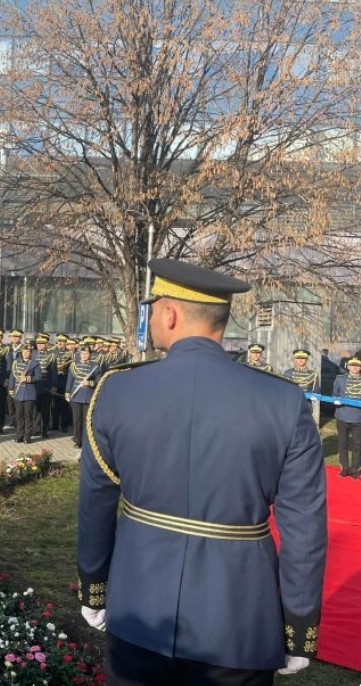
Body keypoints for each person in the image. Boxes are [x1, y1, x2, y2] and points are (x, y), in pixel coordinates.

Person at [78, 258, 326, 683]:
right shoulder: (283, 401)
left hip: (139, 605)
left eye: (154, 306)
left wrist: (93, 586)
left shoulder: (117, 390)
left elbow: (95, 503)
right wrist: (298, 627)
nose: (153, 315)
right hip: (240, 622)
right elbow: (304, 528)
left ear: (170, 313)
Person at [64, 343, 100, 449]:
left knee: (86, 421)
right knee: (77, 420)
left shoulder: (95, 366)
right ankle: (77, 440)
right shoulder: (74, 365)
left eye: (86, 353)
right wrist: (67, 392)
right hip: (76, 395)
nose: (84, 355)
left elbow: (99, 380)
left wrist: (90, 383)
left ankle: (86, 441)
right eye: (82, 353)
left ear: (90, 354)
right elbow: (70, 380)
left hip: (88, 396)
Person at [332, 357, 361, 479]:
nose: (354, 368)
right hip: (342, 415)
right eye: (352, 365)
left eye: (357, 365)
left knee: (357, 445)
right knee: (342, 443)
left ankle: (355, 469)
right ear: (348, 367)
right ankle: (344, 468)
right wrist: (335, 400)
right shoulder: (340, 379)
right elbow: (334, 394)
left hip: (358, 417)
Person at [9, 339, 39, 444]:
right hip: (18, 392)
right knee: (19, 416)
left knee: (28, 416)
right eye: (24, 352)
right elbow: (12, 376)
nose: (25, 353)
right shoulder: (16, 363)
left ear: (31, 353)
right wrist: (11, 388)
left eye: (28, 352)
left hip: (29, 394)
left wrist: (28, 379)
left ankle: (27, 436)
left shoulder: (34, 364)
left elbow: (39, 377)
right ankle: (19, 436)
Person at [283, 349, 321, 426]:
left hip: (306, 406)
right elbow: (283, 391)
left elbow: (316, 391)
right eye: (298, 358)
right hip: (291, 405)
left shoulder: (313, 374)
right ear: (295, 359)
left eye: (303, 358)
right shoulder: (288, 373)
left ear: (306, 360)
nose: (300, 360)